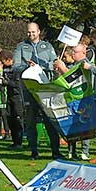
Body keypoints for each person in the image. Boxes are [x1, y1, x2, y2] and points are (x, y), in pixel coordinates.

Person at [15, 22, 63, 160]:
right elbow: (16, 66)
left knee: (50, 120)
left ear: (39, 31)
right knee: (30, 121)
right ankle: (34, 151)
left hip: (46, 88)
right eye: (29, 32)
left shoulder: (47, 46)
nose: (31, 34)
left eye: (34, 32)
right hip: (29, 89)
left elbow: (55, 63)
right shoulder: (21, 47)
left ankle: (55, 150)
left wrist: (42, 65)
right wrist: (27, 66)